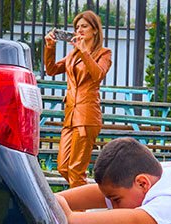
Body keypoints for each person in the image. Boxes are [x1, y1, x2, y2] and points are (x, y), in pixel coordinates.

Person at [44, 11, 112, 188]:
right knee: (63, 167)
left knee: (76, 169)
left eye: (84, 26)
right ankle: (83, 199)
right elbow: (51, 70)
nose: (79, 30)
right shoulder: (73, 54)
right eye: (77, 27)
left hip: (87, 116)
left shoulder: (104, 53)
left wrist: (84, 51)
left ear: (95, 30)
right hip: (70, 116)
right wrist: (50, 47)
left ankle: (77, 212)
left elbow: (97, 75)